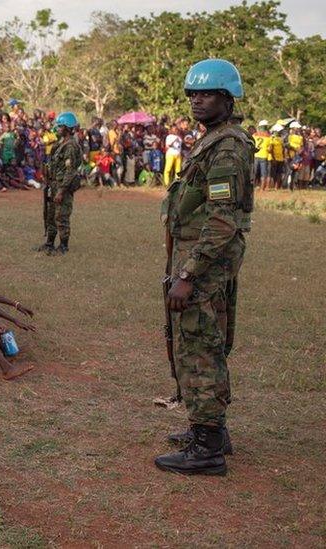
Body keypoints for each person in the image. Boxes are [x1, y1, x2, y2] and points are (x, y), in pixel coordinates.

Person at [156, 59, 252, 476]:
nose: (197, 100)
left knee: (198, 348)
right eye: (192, 93)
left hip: (205, 262)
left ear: (227, 99)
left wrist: (187, 275)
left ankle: (206, 447)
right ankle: (213, 431)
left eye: (207, 93)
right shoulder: (212, 140)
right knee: (202, 343)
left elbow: (222, 219)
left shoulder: (227, 147)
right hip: (200, 258)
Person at [39, 112, 84, 255]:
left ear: (67, 128)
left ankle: (63, 246)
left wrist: (61, 190)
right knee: (51, 215)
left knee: (61, 216)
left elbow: (70, 171)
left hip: (62, 186)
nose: (57, 129)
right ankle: (49, 243)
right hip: (53, 183)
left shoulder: (70, 146)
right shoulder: (60, 143)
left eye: (60, 126)